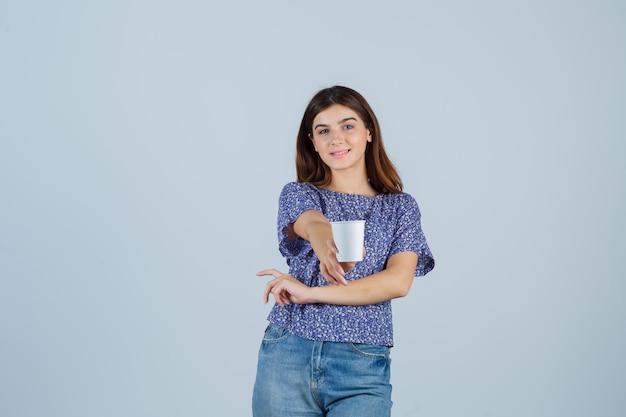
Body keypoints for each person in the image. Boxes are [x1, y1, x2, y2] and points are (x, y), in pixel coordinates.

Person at [252, 86, 435, 417]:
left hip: (361, 364)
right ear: (313, 142)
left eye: (347, 126)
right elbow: (311, 222)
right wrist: (326, 245)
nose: (336, 138)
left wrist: (311, 293)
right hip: (288, 354)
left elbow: (397, 282)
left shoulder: (400, 208)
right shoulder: (299, 194)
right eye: (324, 130)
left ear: (368, 132)